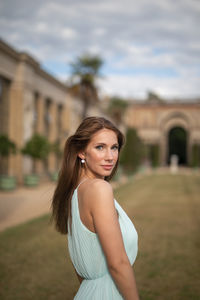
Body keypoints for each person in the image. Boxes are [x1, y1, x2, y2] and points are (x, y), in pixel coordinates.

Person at [51, 116, 139, 300]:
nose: (110, 156)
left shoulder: (75, 192)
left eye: (114, 147)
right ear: (81, 152)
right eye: (100, 147)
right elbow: (118, 263)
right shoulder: (99, 189)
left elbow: (80, 265)